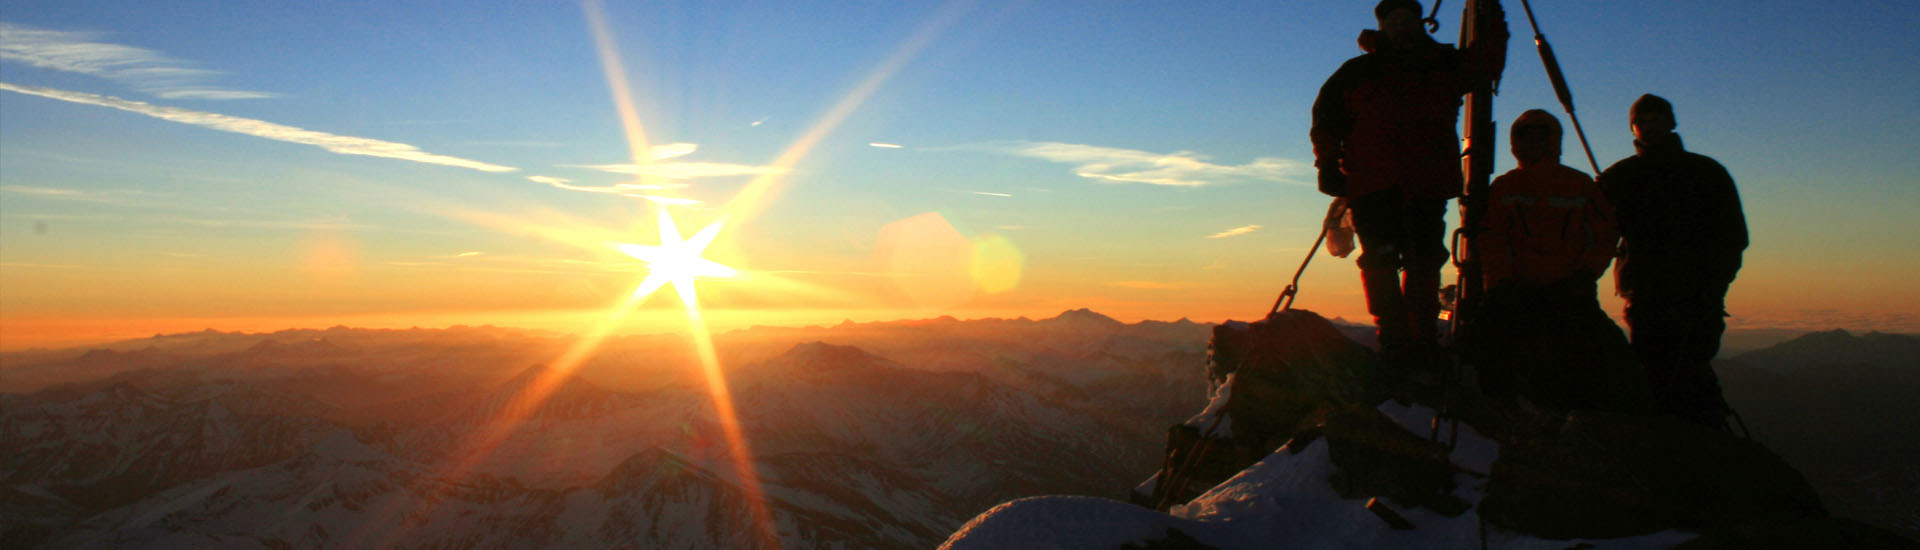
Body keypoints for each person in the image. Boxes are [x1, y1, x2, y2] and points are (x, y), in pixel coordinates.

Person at [1310, 0, 1506, 370]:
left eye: (1406, 19)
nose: (1400, 26)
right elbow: (1326, 122)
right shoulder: (1358, 72)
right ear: (1383, 27)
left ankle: (1418, 341)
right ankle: (1398, 341)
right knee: (1383, 262)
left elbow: (1487, 62)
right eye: (1393, 20)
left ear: (1419, 23)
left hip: (1420, 182)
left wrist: (1493, 17)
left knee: (1421, 262)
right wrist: (1327, 165)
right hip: (1377, 183)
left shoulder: (1443, 65)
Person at [1473, 110, 1648, 413]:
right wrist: (1500, 283)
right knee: (1492, 341)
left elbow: (1604, 234)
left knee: (1598, 352)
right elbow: (1492, 238)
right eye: (1529, 138)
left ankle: (1596, 412)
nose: (1536, 143)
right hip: (1520, 287)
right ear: (1518, 143)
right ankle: (1502, 406)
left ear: (1553, 141)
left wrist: (1585, 275)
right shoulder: (1506, 187)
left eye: (1542, 137)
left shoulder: (1578, 185)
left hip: (1568, 287)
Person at [1597, 94, 1748, 428]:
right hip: (1650, 296)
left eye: (1656, 120)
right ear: (1633, 127)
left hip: (1695, 296)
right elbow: (1597, 230)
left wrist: (1712, 283)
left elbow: (1732, 237)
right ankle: (1696, 449)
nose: (1649, 128)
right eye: (1643, 122)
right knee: (1662, 374)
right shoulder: (1620, 178)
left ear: (1671, 123)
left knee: (1685, 372)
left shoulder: (1705, 173)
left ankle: (1692, 450)